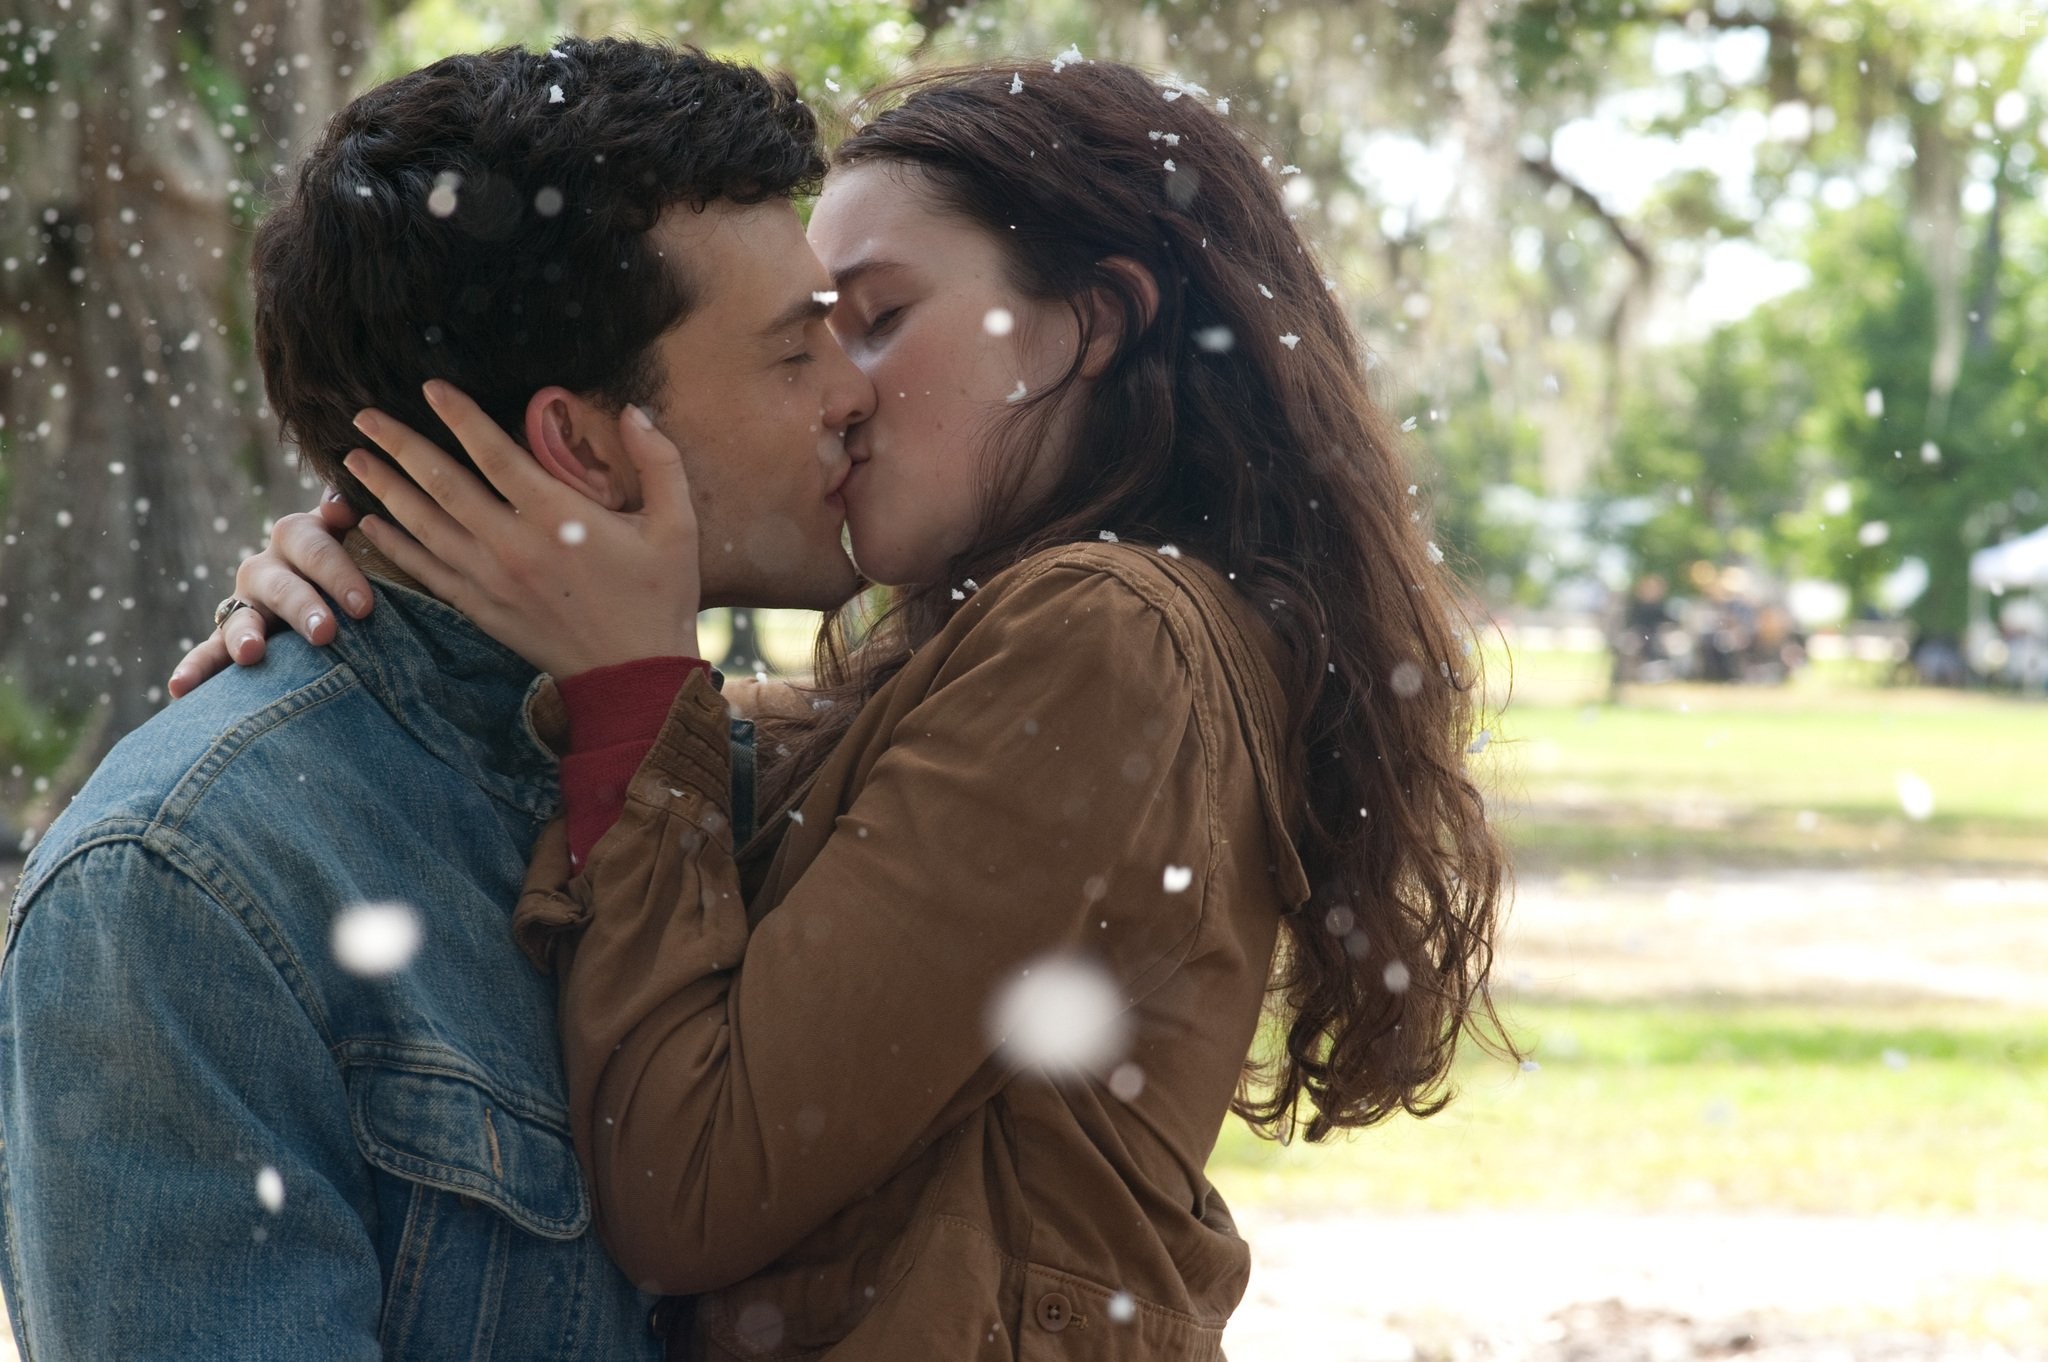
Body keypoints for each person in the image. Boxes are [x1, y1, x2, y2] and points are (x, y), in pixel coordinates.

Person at [187, 57, 1512, 1359]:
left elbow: (686, 1186)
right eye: (806, 336)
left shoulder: (1105, 637)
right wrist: (387, 571)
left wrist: (628, 688)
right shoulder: (1008, 661)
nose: (842, 387)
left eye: (877, 317)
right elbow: (718, 758)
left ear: (1092, 321)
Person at [0, 38, 876, 1360]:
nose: (856, 393)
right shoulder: (186, 883)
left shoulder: (762, 790)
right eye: (796, 350)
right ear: (579, 445)